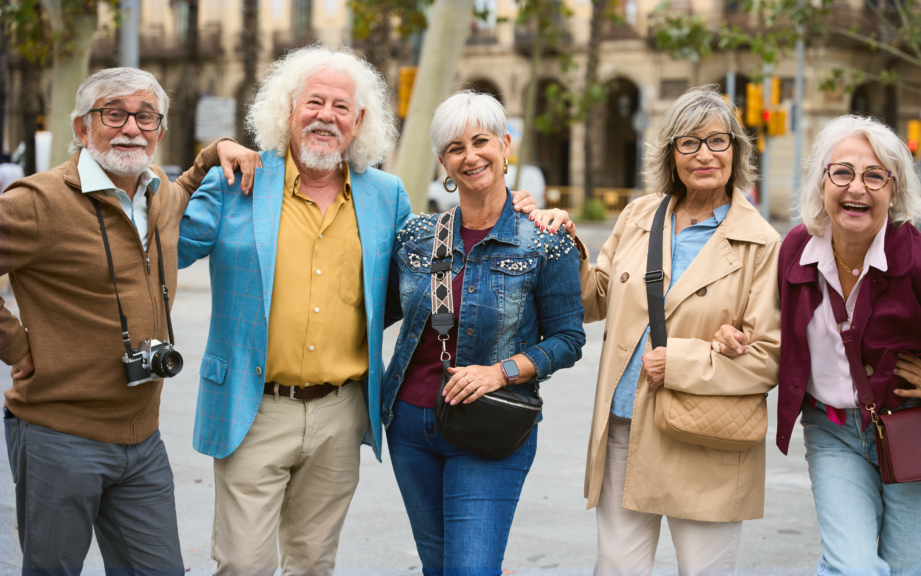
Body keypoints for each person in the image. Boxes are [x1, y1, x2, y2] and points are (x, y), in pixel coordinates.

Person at [177, 50, 535, 574]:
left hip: (341, 413)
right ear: (288, 110)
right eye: (313, 102)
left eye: (341, 106)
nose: (326, 115)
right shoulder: (238, 180)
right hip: (253, 407)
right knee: (243, 565)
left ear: (359, 121)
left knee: (314, 564)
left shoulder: (385, 195)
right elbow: (166, 246)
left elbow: (430, 278)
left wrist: (526, 213)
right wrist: (205, 161)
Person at [0, 67, 260, 573]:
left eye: (145, 117)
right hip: (60, 435)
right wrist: (17, 346)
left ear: (160, 131)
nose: (131, 128)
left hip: (143, 440)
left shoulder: (157, 190)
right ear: (82, 129)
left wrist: (216, 149)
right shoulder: (37, 202)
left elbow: (185, 186)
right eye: (113, 114)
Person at [534, 86, 781, 574]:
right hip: (625, 429)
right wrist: (565, 247)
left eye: (717, 141)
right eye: (688, 143)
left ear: (736, 150)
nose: (704, 154)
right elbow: (593, 299)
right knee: (616, 568)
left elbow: (769, 356)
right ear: (671, 154)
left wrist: (683, 362)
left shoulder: (762, 243)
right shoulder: (639, 215)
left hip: (705, 438)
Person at [765, 114, 921, 574]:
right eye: (841, 172)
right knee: (852, 569)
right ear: (822, 183)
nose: (856, 188)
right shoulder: (796, 250)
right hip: (833, 431)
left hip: (918, 427)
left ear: (894, 189)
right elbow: (772, 325)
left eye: (874, 175)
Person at [381, 91, 586, 575]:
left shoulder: (544, 239)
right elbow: (376, 312)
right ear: (443, 164)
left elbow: (569, 339)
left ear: (505, 144)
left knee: (470, 569)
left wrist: (501, 372)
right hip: (410, 426)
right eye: (455, 148)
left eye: (481, 141)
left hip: (491, 425)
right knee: (438, 567)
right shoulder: (415, 236)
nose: (470, 156)